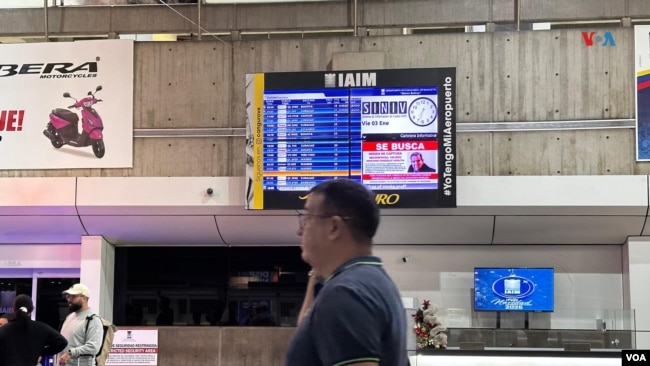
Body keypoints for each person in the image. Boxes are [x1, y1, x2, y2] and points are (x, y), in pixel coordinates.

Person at [285, 179, 408, 366]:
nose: (299, 230)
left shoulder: (345, 293)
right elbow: (310, 327)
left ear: (334, 227)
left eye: (308, 217)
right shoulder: (374, 282)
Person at [0, 294, 68, 366]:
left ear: (14, 309)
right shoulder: (41, 328)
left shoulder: (4, 329)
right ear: (32, 309)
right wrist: (42, 353)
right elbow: (62, 342)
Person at [58, 284, 103, 366]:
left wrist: (70, 353)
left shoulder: (93, 320)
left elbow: (93, 347)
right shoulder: (70, 317)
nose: (69, 300)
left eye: (73, 296)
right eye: (68, 296)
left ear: (84, 298)